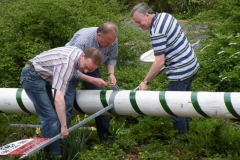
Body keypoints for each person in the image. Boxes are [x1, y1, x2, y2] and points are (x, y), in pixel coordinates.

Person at [131, 3, 200, 141]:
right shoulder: (165, 16)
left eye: (139, 22)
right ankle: (187, 134)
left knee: (175, 108)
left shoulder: (156, 31)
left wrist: (145, 82)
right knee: (184, 103)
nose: (138, 25)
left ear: (148, 15)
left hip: (179, 73)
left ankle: (182, 142)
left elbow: (159, 61)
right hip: (191, 66)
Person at [20, 46, 103, 156]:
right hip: (32, 77)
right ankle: (54, 156)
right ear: (83, 56)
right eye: (86, 67)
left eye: (90, 70)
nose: (86, 71)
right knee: (50, 118)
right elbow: (59, 98)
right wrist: (64, 127)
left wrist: (92, 79)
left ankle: (49, 153)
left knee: (53, 117)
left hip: (42, 77)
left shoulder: (78, 56)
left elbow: (75, 73)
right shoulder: (67, 64)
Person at [65, 22, 118, 142]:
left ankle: (106, 140)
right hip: (71, 67)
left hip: (92, 67)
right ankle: (62, 140)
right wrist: (92, 79)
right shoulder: (82, 41)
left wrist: (111, 74)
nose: (109, 44)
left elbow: (112, 57)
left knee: (100, 101)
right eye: (107, 42)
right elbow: (71, 67)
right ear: (99, 36)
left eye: (111, 42)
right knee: (67, 101)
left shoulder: (112, 39)